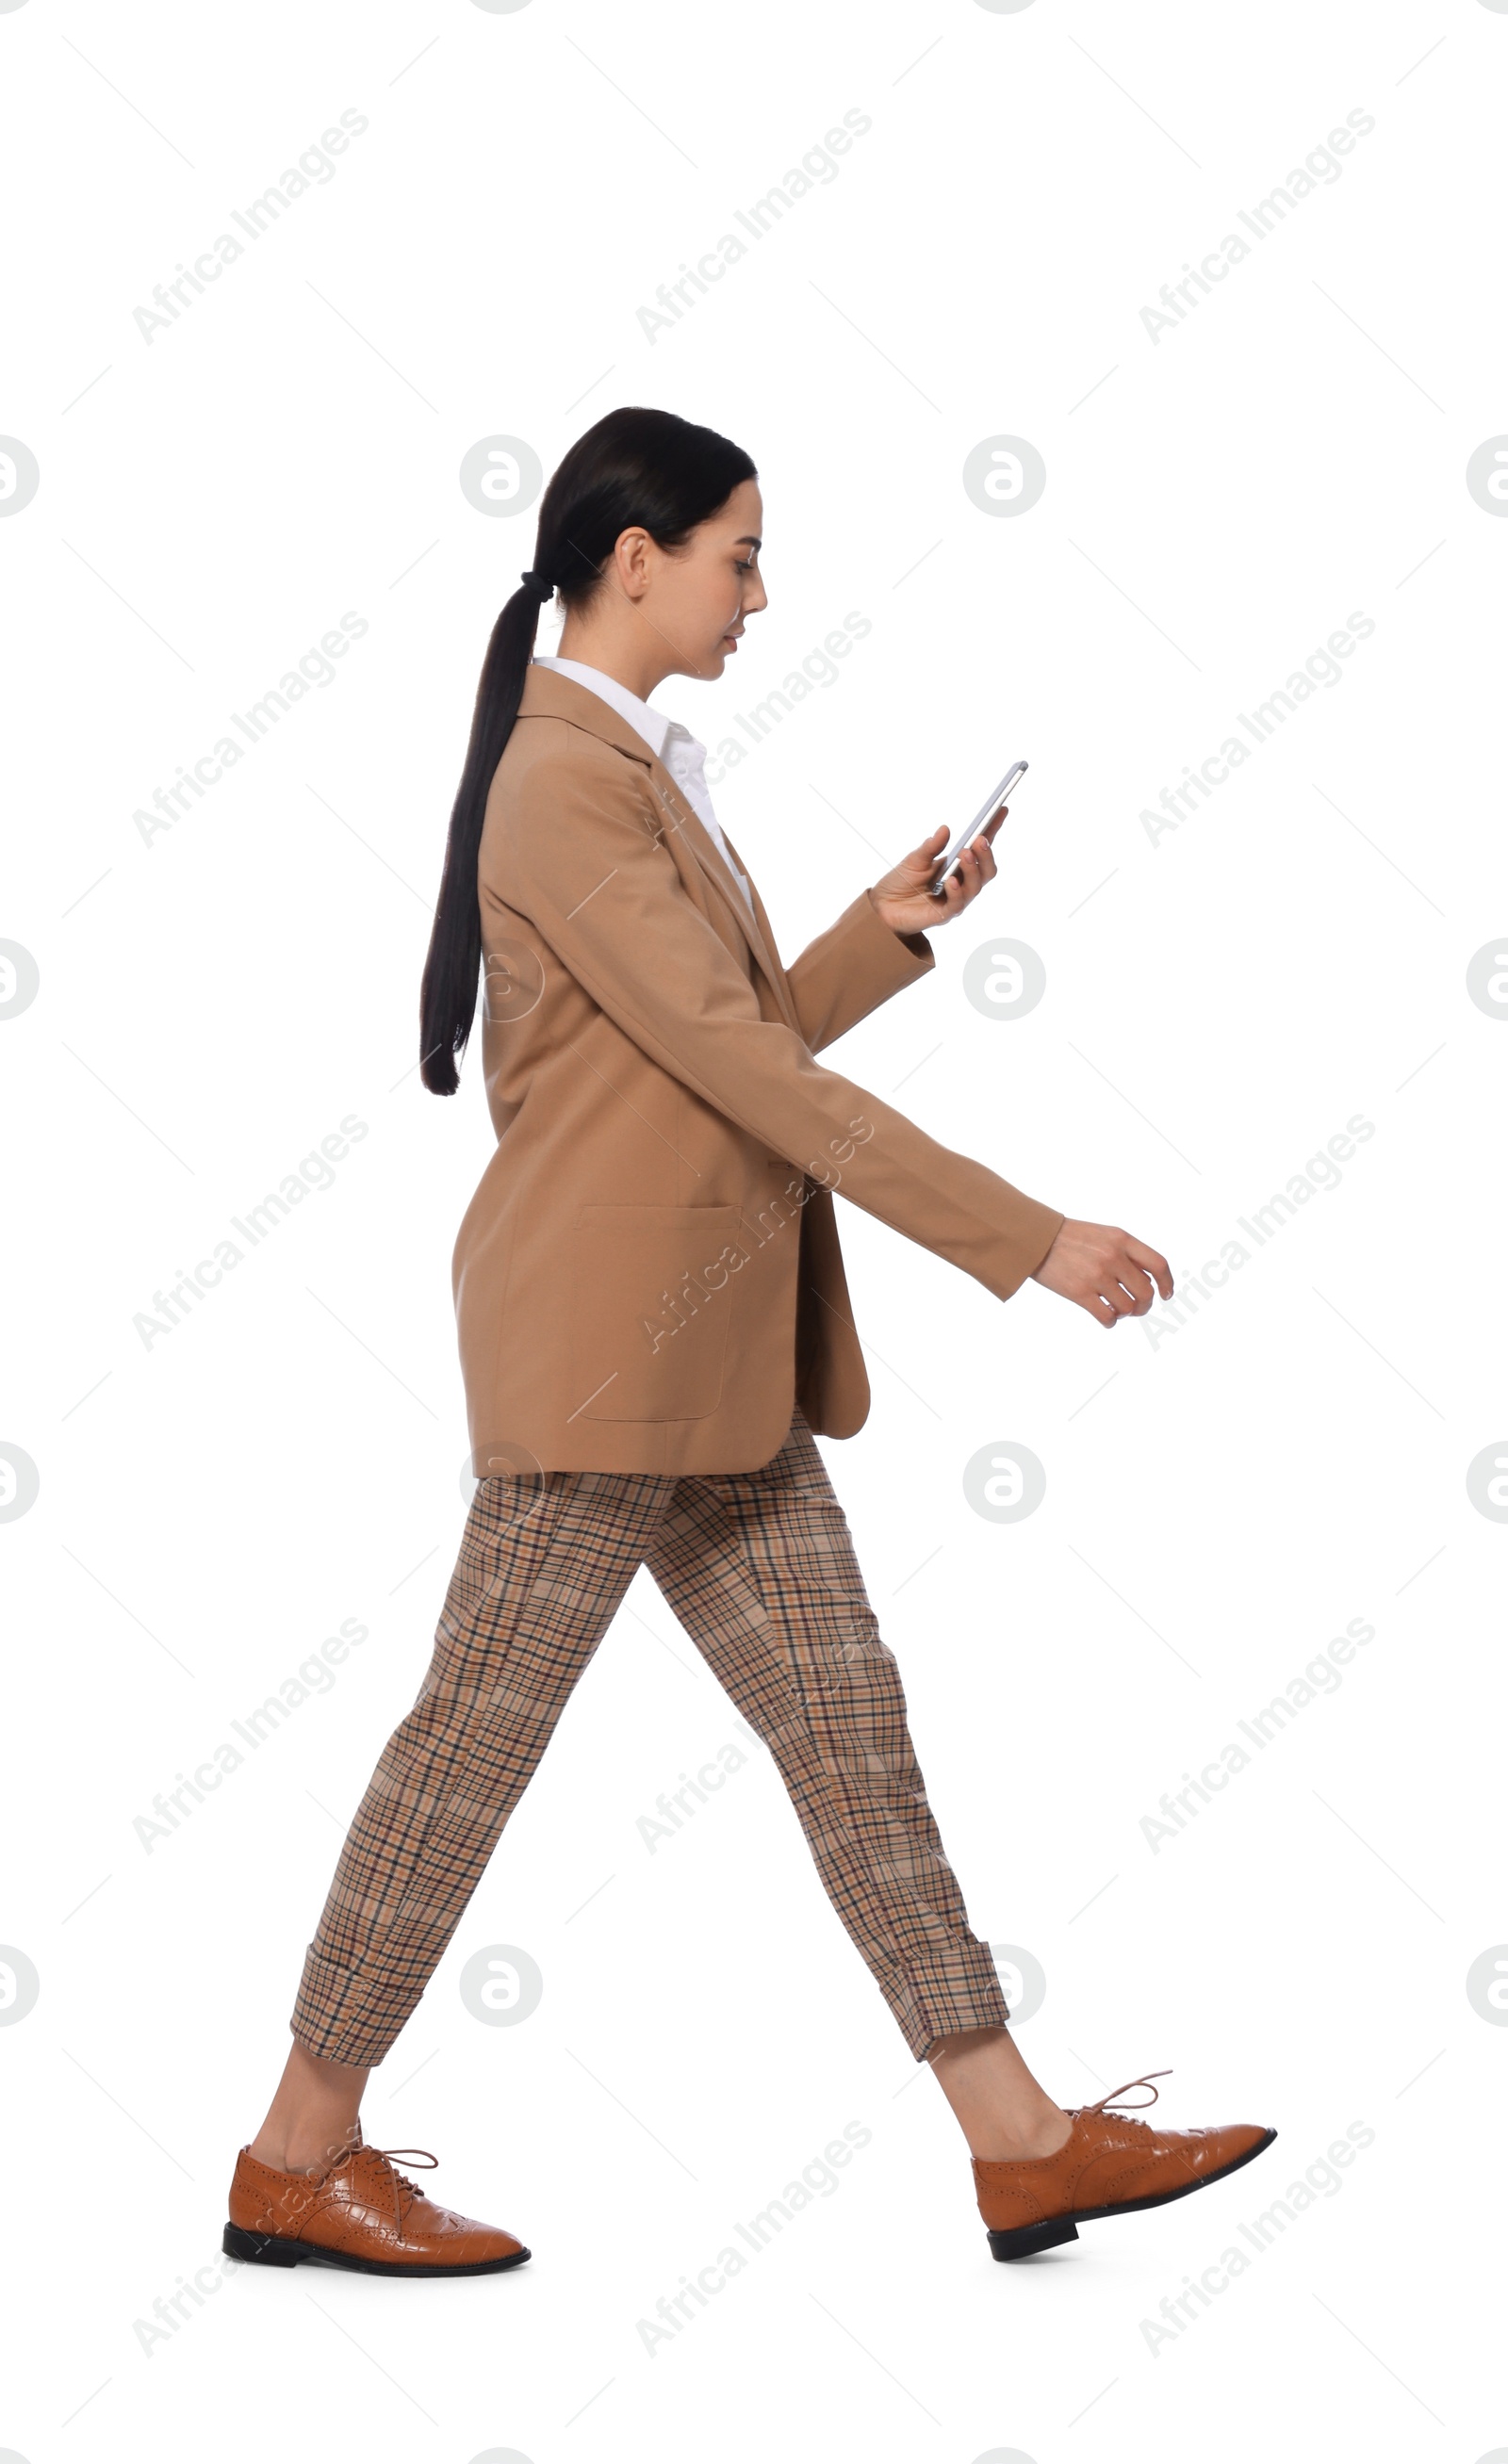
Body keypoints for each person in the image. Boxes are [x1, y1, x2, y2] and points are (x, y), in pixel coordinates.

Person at [224, 407, 1274, 2277]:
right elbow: (735, 1075)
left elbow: (713, 1046)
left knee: (847, 1733)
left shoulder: (624, 771)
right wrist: (1027, 1241)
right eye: (738, 554)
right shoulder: (565, 781)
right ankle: (296, 2156)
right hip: (611, 1364)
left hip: (703, 1368)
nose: (760, 593)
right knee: (467, 1750)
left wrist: (877, 935)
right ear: (634, 557)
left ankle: (1016, 2141)